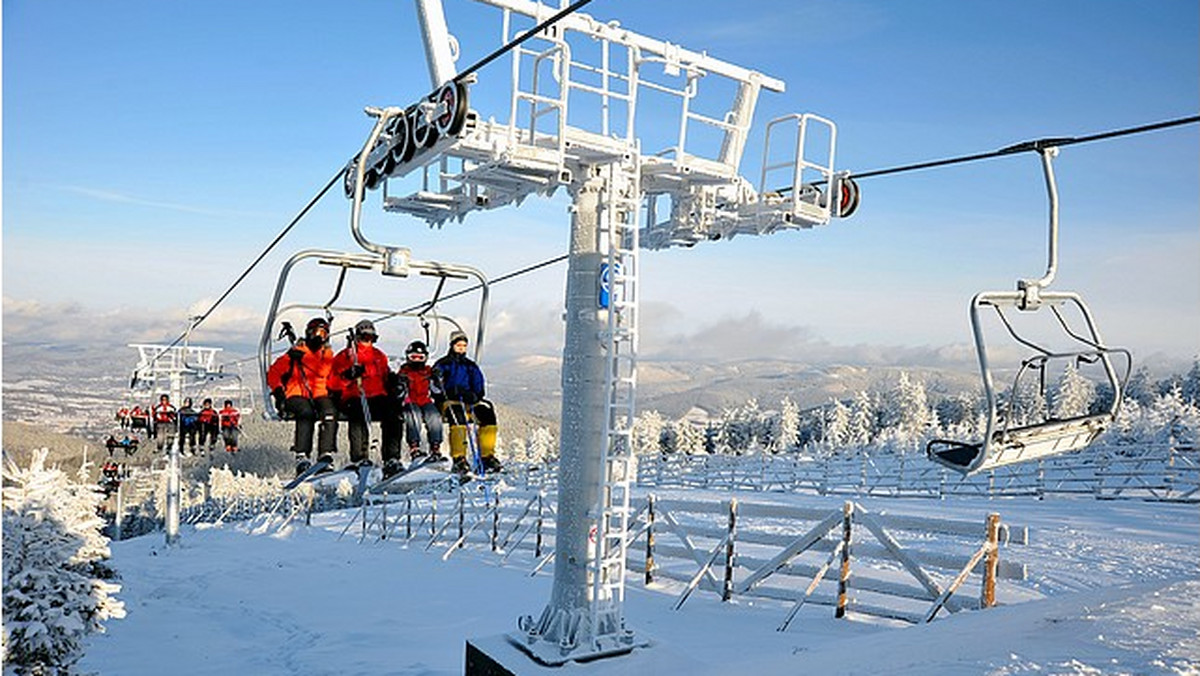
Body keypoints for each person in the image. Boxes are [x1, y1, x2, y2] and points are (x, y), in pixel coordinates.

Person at [330, 319, 404, 477]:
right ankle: (359, 457)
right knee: (358, 415)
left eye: (371, 338)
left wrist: (393, 381)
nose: (368, 342)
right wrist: (348, 376)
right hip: (355, 395)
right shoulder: (345, 356)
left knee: (394, 414)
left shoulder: (379, 356)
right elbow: (333, 383)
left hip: (378, 395)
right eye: (364, 338)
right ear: (357, 337)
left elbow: (385, 376)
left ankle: (391, 457)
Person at [267, 316, 339, 476]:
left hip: (319, 393)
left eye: (324, 333)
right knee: (306, 412)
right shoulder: (294, 354)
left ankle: (325, 454)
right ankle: (302, 455)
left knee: (329, 412)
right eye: (317, 332)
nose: (320, 337)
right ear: (309, 333)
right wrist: (279, 393)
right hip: (296, 393)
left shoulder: (327, 356)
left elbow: (330, 376)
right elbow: (274, 373)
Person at [433, 330, 501, 476]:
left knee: (487, 412)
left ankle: (487, 456)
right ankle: (459, 458)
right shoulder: (443, 364)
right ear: (452, 346)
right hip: (449, 401)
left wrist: (475, 396)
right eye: (458, 345)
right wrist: (447, 388)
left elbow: (479, 384)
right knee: (457, 415)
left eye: (464, 346)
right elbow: (436, 387)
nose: (461, 348)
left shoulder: (470, 366)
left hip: (468, 401)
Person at [397, 340, 445, 465]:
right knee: (414, 415)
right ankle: (414, 448)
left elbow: (436, 390)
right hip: (410, 401)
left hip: (425, 400)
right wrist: (400, 384)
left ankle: (435, 447)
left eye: (420, 358)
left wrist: (437, 380)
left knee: (434, 416)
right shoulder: (404, 371)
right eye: (413, 357)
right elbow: (399, 393)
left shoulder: (428, 371)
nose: (417, 360)